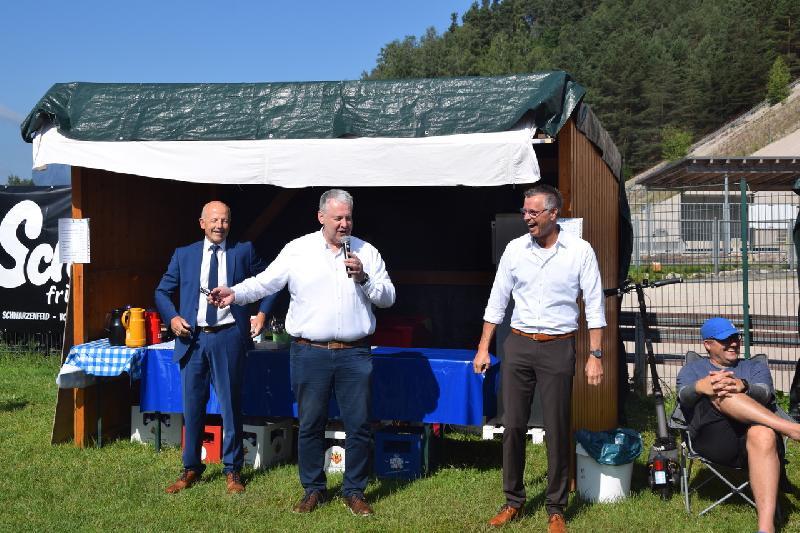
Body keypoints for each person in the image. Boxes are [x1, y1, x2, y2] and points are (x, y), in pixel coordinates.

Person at [209, 189, 395, 516]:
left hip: (355, 354)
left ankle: (354, 491)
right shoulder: (298, 250)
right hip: (310, 353)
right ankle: (313, 488)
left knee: (359, 425)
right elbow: (265, 283)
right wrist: (234, 293)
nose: (344, 224)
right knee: (310, 424)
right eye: (337, 218)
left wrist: (364, 277)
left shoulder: (367, 251)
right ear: (321, 217)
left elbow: (388, 297)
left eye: (348, 217)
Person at [473, 184, 605, 532]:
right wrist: (484, 346)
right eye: (525, 211)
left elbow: (594, 304)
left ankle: (556, 508)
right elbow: (497, 301)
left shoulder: (580, 251)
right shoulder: (515, 250)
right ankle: (513, 500)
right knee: (513, 424)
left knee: (557, 427)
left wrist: (595, 354)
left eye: (533, 212)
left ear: (553, 214)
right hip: (517, 344)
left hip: (559, 346)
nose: (526, 217)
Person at [155, 200, 277, 494]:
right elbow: (161, 291)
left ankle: (233, 470)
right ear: (202, 223)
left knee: (231, 406)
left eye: (224, 220)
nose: (219, 225)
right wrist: (171, 319)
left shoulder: (242, 251)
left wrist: (261, 314)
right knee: (192, 406)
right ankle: (190, 468)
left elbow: (271, 281)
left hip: (228, 337)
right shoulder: (183, 255)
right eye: (214, 220)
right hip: (192, 339)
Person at [677, 317, 800, 533]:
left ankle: (766, 528)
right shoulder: (693, 370)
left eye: (736, 338)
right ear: (708, 344)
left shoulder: (753, 367)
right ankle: (791, 429)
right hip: (714, 440)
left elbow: (765, 392)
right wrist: (700, 387)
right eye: (726, 340)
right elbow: (683, 398)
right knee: (719, 392)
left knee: (763, 433)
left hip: (756, 442)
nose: (734, 343)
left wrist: (742, 385)